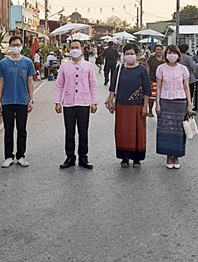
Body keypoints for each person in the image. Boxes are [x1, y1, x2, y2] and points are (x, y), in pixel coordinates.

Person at [54, 39, 98, 169]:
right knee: (69, 131)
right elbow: (59, 85)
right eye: (72, 47)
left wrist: (94, 102)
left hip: (84, 103)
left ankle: (83, 158)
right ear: (69, 49)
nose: (75, 50)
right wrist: (57, 102)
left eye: (77, 47)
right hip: (69, 103)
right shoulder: (64, 66)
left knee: (83, 132)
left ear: (82, 49)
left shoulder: (88, 66)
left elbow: (93, 85)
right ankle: (70, 157)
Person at [105, 44, 151, 168]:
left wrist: (145, 106)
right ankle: (124, 157)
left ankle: (137, 158)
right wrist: (110, 101)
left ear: (137, 55)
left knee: (138, 132)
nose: (129, 56)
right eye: (127, 54)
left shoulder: (142, 70)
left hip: (137, 106)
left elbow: (147, 90)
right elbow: (113, 86)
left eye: (132, 54)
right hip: (121, 105)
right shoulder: (119, 69)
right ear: (123, 55)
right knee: (122, 131)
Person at [0, 36, 35, 168]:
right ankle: (8, 156)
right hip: (7, 101)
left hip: (22, 101)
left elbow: (30, 81)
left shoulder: (27, 62)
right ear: (9, 45)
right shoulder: (3, 63)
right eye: (13, 44)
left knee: (22, 130)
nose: (15, 47)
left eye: (18, 44)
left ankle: (21, 156)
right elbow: (0, 82)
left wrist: (31, 100)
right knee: (8, 130)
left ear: (22, 45)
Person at [155, 45, 193, 169]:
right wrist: (158, 103)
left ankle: (176, 156)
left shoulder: (183, 69)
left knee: (178, 130)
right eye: (169, 53)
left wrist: (189, 104)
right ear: (166, 55)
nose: (172, 55)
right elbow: (159, 87)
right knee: (165, 129)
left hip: (180, 101)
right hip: (165, 100)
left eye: (174, 53)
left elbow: (186, 87)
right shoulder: (160, 68)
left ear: (178, 55)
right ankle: (168, 156)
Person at [146, 44, 165, 116]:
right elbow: (148, 69)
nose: (159, 51)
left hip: (163, 81)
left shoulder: (165, 59)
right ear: (155, 51)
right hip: (153, 79)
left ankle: (160, 110)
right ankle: (150, 111)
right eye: (157, 50)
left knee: (161, 96)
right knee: (152, 97)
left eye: (160, 50)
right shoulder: (151, 59)